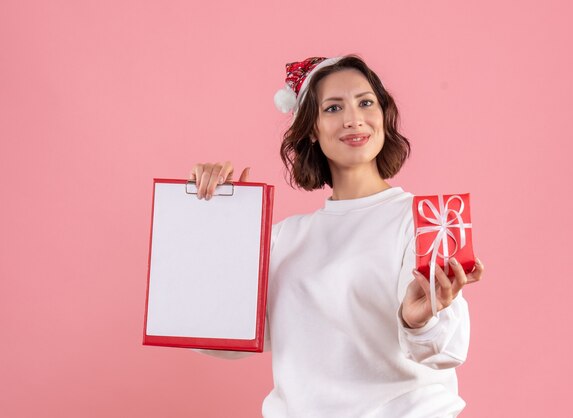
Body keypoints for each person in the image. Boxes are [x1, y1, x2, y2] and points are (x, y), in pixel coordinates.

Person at [189, 55, 484, 418]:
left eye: (365, 102)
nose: (353, 119)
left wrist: (418, 320)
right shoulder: (284, 239)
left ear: (383, 115)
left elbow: (444, 351)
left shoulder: (423, 221)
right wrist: (215, 222)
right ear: (310, 128)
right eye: (332, 108)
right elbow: (218, 337)